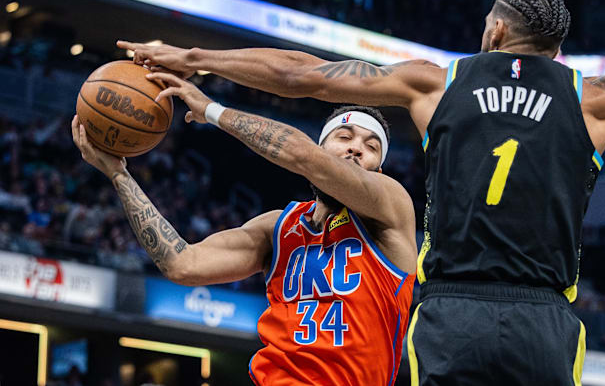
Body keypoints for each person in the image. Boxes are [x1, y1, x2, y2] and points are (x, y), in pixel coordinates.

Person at [119, 0, 605, 384]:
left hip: (451, 310)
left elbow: (304, 75)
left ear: (494, 31)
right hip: (543, 317)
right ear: (558, 51)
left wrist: (195, 57)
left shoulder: (438, 83)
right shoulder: (596, 96)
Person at [71, 72, 417, 385]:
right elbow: (183, 264)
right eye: (344, 137)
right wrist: (119, 175)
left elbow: (303, 157)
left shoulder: (390, 209)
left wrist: (211, 111)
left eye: (371, 147)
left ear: (380, 172)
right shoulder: (277, 228)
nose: (356, 148)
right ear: (324, 147)